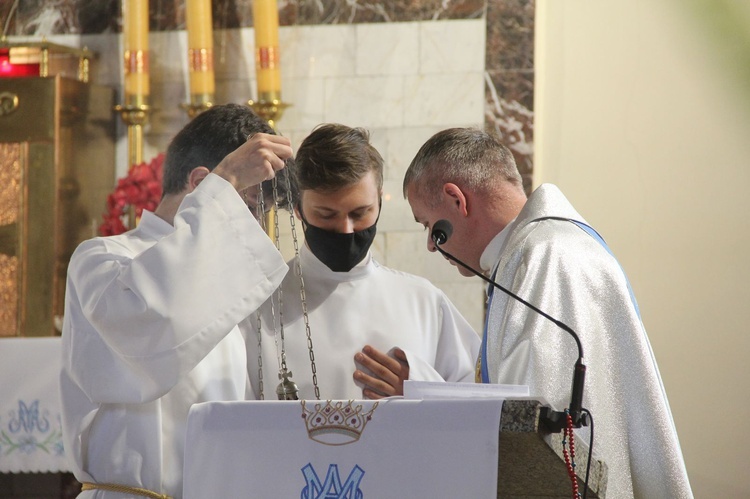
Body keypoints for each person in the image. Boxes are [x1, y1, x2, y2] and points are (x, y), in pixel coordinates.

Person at [402, 128, 693, 498]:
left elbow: (541, 434)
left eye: (429, 225)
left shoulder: (545, 256)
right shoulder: (532, 252)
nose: (431, 245)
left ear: (456, 199)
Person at [59, 104, 293, 498]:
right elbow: (152, 327)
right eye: (250, 208)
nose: (253, 228)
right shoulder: (102, 260)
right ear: (203, 184)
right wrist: (228, 180)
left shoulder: (231, 281)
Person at [245, 123, 480, 400]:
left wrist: (421, 389)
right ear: (298, 208)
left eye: (360, 213)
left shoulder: (424, 302)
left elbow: (476, 408)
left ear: (379, 202)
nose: (346, 229)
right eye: (326, 214)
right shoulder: (259, 304)